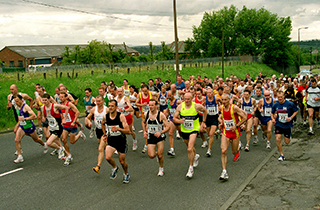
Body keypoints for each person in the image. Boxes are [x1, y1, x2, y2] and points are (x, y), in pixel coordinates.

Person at [173, 93, 207, 178]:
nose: (186, 100)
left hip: (194, 129)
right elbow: (174, 118)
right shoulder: (180, 106)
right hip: (184, 130)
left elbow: (205, 110)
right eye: (185, 99)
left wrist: (203, 122)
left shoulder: (196, 106)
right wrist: (179, 121)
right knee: (189, 147)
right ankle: (195, 156)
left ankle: (190, 168)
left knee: (189, 148)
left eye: (188, 99)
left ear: (192, 99)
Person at [101, 100, 131, 183]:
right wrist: (104, 134)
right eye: (109, 106)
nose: (110, 107)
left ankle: (126, 173)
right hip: (111, 140)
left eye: (112, 106)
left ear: (116, 107)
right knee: (107, 157)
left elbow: (128, 131)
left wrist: (118, 129)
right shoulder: (106, 116)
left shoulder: (121, 116)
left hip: (121, 140)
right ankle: (114, 167)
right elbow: (102, 124)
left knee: (122, 161)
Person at [218, 94, 247, 181]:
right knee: (223, 151)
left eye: (225, 100)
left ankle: (237, 150)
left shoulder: (234, 108)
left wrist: (237, 125)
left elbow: (245, 117)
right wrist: (221, 124)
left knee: (234, 151)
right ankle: (224, 171)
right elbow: (223, 118)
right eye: (222, 100)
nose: (224, 102)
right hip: (225, 132)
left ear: (229, 100)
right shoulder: (221, 108)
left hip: (235, 133)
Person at [12, 95, 47, 163]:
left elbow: (34, 116)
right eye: (15, 101)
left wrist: (25, 119)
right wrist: (18, 125)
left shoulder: (25, 107)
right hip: (22, 126)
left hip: (29, 126)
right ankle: (20, 156)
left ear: (21, 100)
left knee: (36, 139)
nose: (16, 103)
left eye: (17, 101)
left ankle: (44, 144)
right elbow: (20, 118)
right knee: (16, 140)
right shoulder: (16, 107)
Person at [142, 99, 170, 176]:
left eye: (152, 105)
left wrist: (160, 132)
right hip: (151, 136)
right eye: (149, 105)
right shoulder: (146, 114)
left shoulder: (161, 115)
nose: (150, 107)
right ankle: (157, 153)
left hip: (160, 137)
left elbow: (168, 127)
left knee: (160, 155)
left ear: (156, 106)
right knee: (151, 155)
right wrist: (144, 131)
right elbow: (143, 122)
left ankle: (161, 168)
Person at [60, 91, 86, 166]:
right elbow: (62, 114)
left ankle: (79, 134)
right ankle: (68, 155)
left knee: (72, 141)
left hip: (72, 125)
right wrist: (63, 120)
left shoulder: (69, 104)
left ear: (65, 97)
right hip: (65, 125)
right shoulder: (61, 105)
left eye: (62, 97)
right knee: (63, 139)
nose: (61, 98)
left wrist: (74, 121)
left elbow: (77, 112)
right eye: (60, 97)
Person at [271, 91, 299, 161]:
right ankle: (281, 155)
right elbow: (272, 113)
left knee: (287, 142)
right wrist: (273, 119)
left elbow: (296, 111)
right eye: (278, 97)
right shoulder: (275, 105)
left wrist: (291, 118)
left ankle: (289, 136)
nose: (280, 98)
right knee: (278, 138)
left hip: (287, 124)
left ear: (284, 96)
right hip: (278, 124)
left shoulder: (290, 104)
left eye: (281, 97)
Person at [85, 95, 108, 173]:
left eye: (99, 101)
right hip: (98, 130)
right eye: (97, 101)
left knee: (100, 149)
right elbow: (87, 118)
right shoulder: (94, 109)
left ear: (103, 101)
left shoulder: (107, 110)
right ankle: (110, 147)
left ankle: (98, 166)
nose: (98, 103)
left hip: (105, 131)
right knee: (103, 147)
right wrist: (88, 122)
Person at [41, 93, 68, 160]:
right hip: (51, 127)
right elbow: (43, 116)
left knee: (48, 143)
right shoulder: (42, 107)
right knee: (58, 143)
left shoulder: (54, 106)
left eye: (46, 100)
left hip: (58, 127)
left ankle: (60, 149)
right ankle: (67, 156)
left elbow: (66, 108)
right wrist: (43, 118)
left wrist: (64, 118)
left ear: (49, 99)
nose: (44, 102)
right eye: (43, 100)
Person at [136, 84, 153, 153]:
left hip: (152, 114)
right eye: (143, 91)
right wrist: (142, 105)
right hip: (144, 115)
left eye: (146, 91)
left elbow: (156, 100)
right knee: (146, 130)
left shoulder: (151, 94)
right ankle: (146, 144)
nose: (144, 92)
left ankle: (150, 144)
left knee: (150, 129)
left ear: (148, 90)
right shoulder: (139, 95)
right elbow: (136, 103)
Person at [204, 88, 221, 157]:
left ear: (213, 93)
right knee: (208, 133)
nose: (209, 94)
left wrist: (220, 108)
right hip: (208, 117)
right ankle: (216, 133)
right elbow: (202, 107)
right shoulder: (205, 99)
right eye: (208, 93)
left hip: (214, 117)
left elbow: (222, 103)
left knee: (211, 134)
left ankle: (209, 150)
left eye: (210, 92)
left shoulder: (216, 99)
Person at [166, 90, 182, 156]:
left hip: (178, 119)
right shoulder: (168, 101)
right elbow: (168, 109)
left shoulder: (178, 101)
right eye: (168, 96)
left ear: (173, 95)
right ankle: (172, 149)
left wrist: (180, 115)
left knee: (181, 132)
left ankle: (188, 140)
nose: (169, 97)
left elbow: (183, 108)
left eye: (170, 96)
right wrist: (166, 114)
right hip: (172, 118)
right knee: (170, 133)